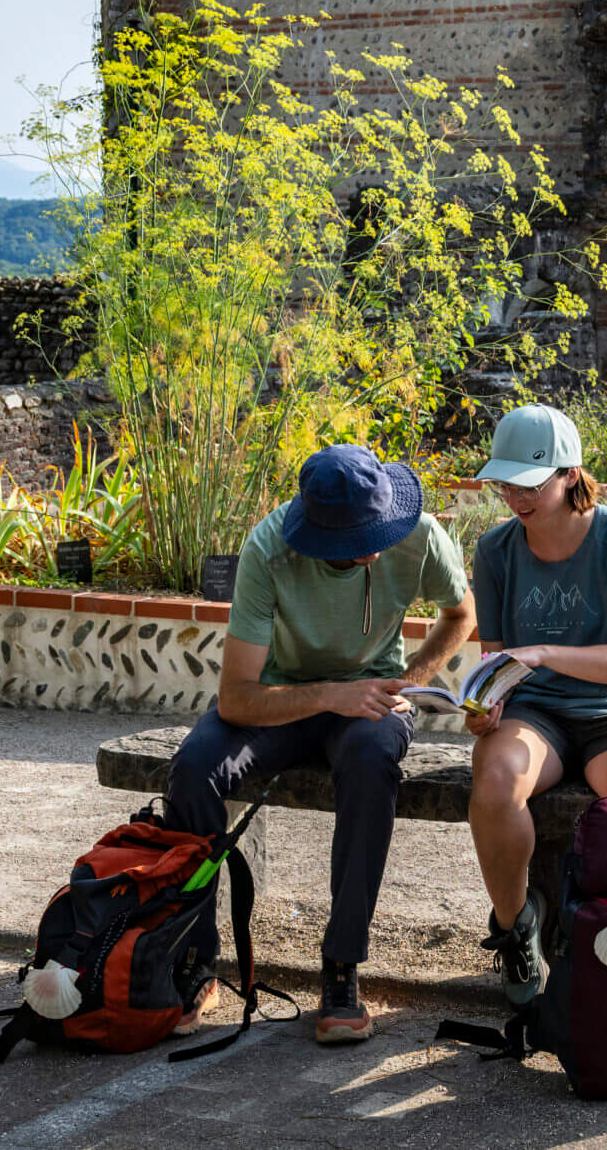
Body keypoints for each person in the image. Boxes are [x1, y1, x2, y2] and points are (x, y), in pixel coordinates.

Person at [165, 443, 474, 1044]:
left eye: (379, 529)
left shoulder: (419, 534)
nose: (377, 547)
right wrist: (331, 694)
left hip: (368, 706)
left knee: (372, 759)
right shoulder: (269, 549)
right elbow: (237, 699)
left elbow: (460, 613)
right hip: (282, 699)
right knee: (194, 771)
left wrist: (410, 680)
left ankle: (341, 965)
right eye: (358, 541)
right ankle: (195, 957)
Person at [462, 404, 607, 1004]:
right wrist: (484, 704)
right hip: (536, 716)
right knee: (497, 776)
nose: (516, 496)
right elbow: (497, 661)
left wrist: (546, 653)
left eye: (530, 481)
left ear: (570, 473)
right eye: (506, 482)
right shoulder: (495, 550)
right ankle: (515, 928)